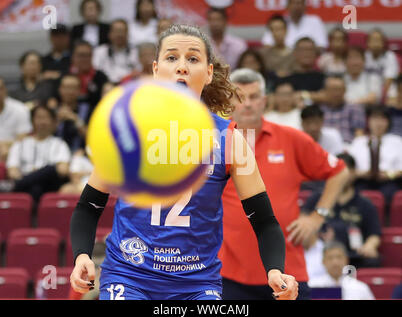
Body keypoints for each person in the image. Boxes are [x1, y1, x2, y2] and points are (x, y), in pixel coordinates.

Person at [69, 24, 298, 301]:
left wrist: (275, 270)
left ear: (209, 72)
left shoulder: (230, 140)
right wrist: (82, 254)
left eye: (192, 58)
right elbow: (89, 205)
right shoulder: (130, 131)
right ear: (156, 70)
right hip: (129, 276)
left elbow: (264, 221)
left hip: (197, 284)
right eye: (171, 58)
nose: (181, 67)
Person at [219, 68, 349, 300]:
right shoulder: (215, 140)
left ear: (265, 101)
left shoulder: (290, 138)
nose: (247, 104)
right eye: (240, 96)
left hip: (288, 273)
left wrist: (317, 216)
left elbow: (339, 171)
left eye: (254, 96)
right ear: (229, 101)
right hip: (229, 273)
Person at [303, 153, 382, 269]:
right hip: (321, 254)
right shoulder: (316, 199)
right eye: (337, 170)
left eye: (346, 170)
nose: (342, 175)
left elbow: (374, 234)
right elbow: (302, 224)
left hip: (354, 256)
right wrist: (312, 239)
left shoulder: (365, 204)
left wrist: (369, 246)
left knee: (373, 261)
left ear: (354, 173)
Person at [5, 105, 71, 201]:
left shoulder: (60, 144)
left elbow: (63, 171)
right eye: (39, 117)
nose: (42, 122)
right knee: (35, 188)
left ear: (53, 121)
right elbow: (12, 171)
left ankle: (15, 186)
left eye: (46, 118)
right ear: (32, 121)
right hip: (26, 186)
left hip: (49, 185)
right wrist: (32, 177)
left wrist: (37, 173)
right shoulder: (20, 144)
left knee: (50, 169)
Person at [347, 105, 402, 206]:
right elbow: (349, 168)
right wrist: (362, 173)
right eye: (375, 118)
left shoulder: (397, 141)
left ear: (388, 122)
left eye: (382, 119)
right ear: (368, 121)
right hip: (362, 180)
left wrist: (389, 175)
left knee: (390, 194)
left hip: (389, 182)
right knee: (354, 194)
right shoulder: (359, 142)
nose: (378, 123)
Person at [308, 241, 375, 300]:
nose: (335, 262)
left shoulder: (361, 288)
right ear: (323, 261)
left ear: (346, 260)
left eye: (339, 257)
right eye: (330, 258)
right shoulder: (312, 286)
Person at [261, 0, 327, 50]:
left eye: (299, 3)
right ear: (287, 6)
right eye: (294, 3)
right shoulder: (280, 22)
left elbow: (322, 46)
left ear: (305, 6)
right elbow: (267, 45)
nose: (297, 6)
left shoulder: (315, 21)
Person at [319, 76, 366, 144]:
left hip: (347, 147)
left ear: (345, 90)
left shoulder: (355, 108)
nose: (336, 93)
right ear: (325, 91)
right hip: (324, 148)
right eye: (333, 90)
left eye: (339, 89)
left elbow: (359, 135)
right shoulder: (319, 110)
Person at [93, 19, 139, 83]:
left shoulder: (135, 52)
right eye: (116, 31)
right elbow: (96, 70)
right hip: (106, 84)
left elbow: (138, 70)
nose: (119, 35)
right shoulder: (100, 51)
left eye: (122, 31)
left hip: (128, 84)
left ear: (128, 34)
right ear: (109, 34)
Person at [69, 41, 109, 115]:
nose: (85, 59)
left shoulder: (100, 77)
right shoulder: (67, 75)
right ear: (73, 56)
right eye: (81, 55)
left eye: (88, 55)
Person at [54, 74, 89, 152]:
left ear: (79, 90)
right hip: (56, 154)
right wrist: (57, 120)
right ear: (60, 89)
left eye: (73, 88)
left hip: (80, 154)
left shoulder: (88, 109)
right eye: (66, 88)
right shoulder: (52, 110)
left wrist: (76, 119)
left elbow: (92, 137)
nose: (69, 92)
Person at [0, 77, 32, 163]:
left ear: (5, 90)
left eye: (0, 89)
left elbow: (23, 139)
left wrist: (4, 146)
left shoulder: (20, 109)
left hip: (15, 154)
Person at [365, 29, 400, 102]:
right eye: (373, 40)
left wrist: (382, 97)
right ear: (367, 43)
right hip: (367, 89)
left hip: (386, 90)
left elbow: (389, 80)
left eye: (378, 40)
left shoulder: (390, 56)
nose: (376, 44)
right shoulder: (364, 56)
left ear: (383, 43)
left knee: (393, 97)